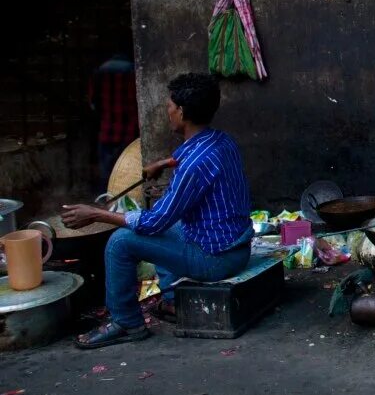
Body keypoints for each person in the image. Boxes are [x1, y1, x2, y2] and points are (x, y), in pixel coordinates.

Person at [63, 73, 252, 349]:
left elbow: (154, 223)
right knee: (164, 229)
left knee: (121, 241)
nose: (168, 112)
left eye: (169, 107)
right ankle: (174, 302)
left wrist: (96, 214)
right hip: (236, 246)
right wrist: (165, 163)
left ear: (182, 112)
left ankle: (127, 322)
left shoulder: (192, 168)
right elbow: (195, 158)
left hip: (217, 259)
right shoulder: (222, 141)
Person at [89, 52, 139, 184]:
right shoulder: (134, 72)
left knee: (106, 171)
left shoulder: (100, 73)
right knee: (128, 171)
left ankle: (106, 198)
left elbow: (93, 102)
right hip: (129, 131)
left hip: (107, 130)